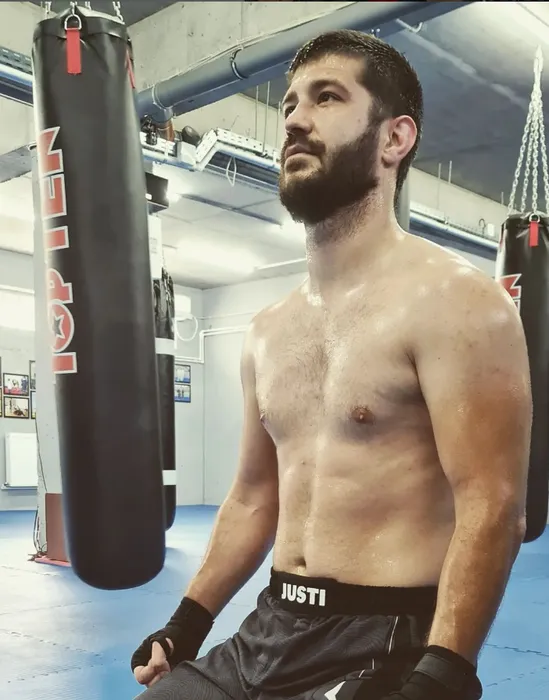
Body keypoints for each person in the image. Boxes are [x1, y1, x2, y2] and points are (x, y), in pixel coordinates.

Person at [131, 30, 532, 700]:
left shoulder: (459, 305)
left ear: (394, 138)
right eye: (289, 103)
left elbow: (492, 504)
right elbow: (253, 496)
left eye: (326, 98)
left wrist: (443, 672)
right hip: (267, 628)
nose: (294, 119)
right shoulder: (267, 330)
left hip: (384, 641)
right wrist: (186, 624)